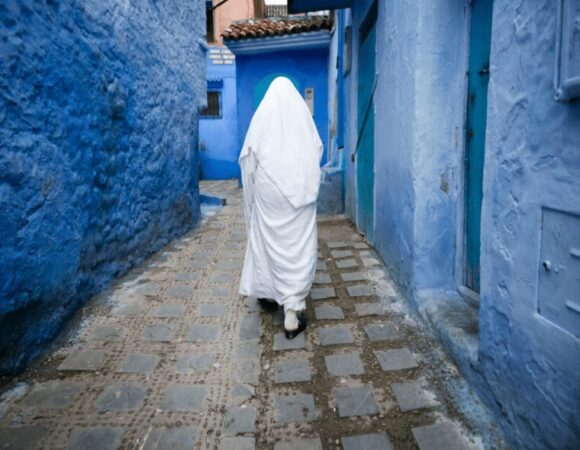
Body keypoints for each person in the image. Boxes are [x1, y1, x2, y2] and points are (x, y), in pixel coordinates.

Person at [238, 77, 322, 339]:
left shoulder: (262, 117)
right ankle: (291, 313)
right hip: (301, 190)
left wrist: (253, 198)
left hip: (268, 189)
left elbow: (248, 159)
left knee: (269, 241)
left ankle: (271, 293)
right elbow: (316, 150)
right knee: (297, 245)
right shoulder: (302, 119)